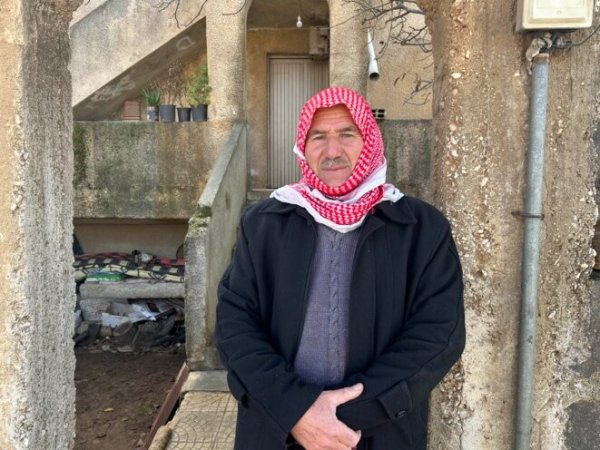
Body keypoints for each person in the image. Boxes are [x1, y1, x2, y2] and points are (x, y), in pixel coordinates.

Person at [215, 87, 465, 450]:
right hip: (278, 431)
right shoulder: (264, 223)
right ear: (303, 146)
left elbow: (438, 335)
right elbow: (234, 323)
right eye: (319, 137)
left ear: (370, 140)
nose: (332, 151)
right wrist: (297, 412)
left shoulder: (420, 228)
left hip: (375, 433)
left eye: (347, 134)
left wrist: (340, 418)